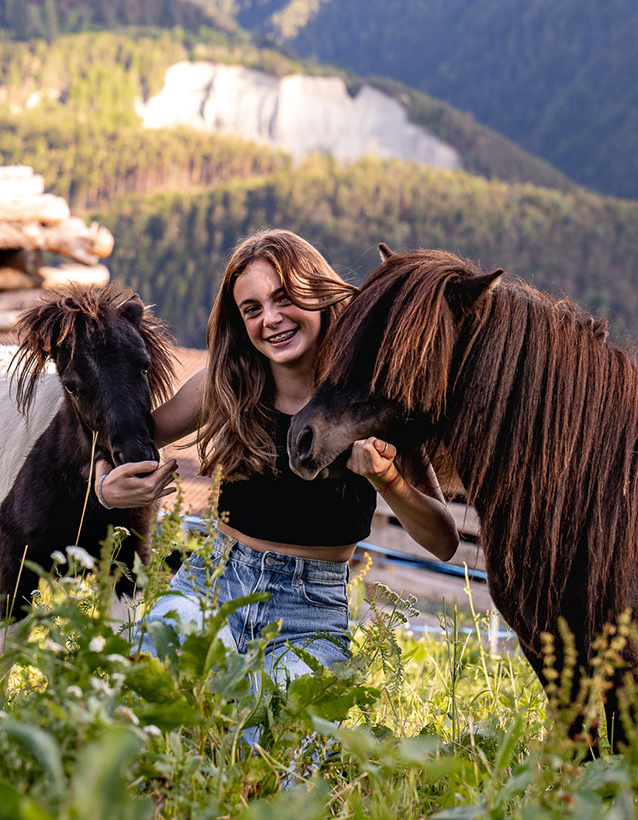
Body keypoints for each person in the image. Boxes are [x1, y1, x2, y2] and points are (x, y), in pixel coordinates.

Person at [96, 229, 459, 681]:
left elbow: (444, 541)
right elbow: (119, 436)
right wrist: (104, 482)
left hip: (312, 612)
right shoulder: (225, 384)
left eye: (284, 297)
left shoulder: (372, 396)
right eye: (252, 309)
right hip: (213, 583)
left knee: (276, 745)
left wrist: (389, 480)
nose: (270, 319)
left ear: (318, 292)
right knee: (144, 700)